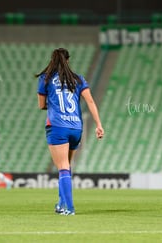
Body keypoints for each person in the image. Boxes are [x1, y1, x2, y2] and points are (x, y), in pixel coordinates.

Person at [36, 48, 104, 216]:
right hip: (75, 127)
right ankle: (61, 204)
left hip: (57, 127)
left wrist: (54, 105)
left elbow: (41, 105)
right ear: (68, 60)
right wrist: (98, 125)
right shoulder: (78, 79)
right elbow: (90, 101)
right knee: (66, 166)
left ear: (52, 60)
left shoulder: (46, 79)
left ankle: (70, 208)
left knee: (62, 167)